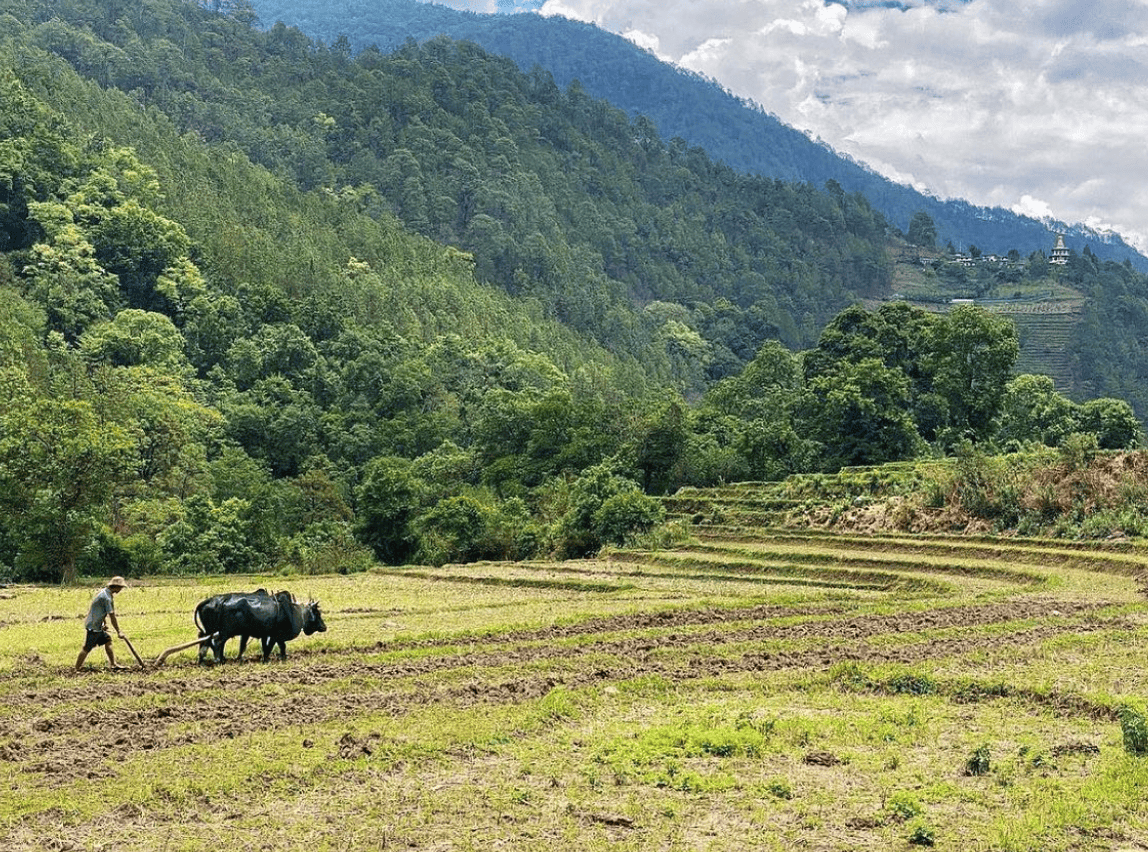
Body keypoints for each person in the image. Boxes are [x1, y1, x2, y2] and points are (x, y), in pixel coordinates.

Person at [75, 576, 129, 671]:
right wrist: (119, 631)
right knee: (87, 647)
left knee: (107, 640)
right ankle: (77, 668)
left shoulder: (104, 593)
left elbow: (100, 611)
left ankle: (113, 664)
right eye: (120, 587)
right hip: (94, 626)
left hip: (95, 624)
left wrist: (103, 624)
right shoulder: (107, 598)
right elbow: (112, 616)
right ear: (115, 586)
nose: (121, 589)